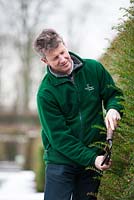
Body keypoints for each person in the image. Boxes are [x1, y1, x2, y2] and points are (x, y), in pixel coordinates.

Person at [33, 28, 124, 200]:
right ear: (45, 61)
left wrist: (114, 108)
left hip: (92, 159)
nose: (62, 59)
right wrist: (92, 159)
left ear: (65, 45)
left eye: (62, 52)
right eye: (55, 58)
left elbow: (115, 95)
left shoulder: (94, 69)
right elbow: (60, 138)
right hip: (60, 162)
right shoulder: (46, 93)